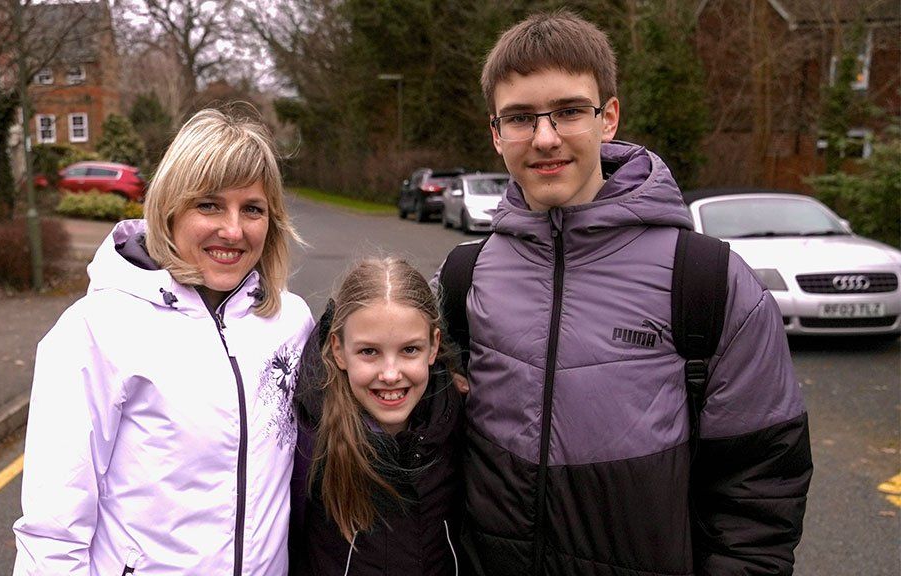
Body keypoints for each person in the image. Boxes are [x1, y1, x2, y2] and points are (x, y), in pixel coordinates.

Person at [435, 10, 813, 575]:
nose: (545, 138)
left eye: (567, 112)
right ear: (495, 133)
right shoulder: (465, 276)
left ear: (608, 117)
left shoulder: (706, 279)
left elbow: (760, 485)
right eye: (519, 118)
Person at [12, 107, 315, 575]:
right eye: (209, 205)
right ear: (170, 209)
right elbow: (53, 530)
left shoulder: (290, 321)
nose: (233, 230)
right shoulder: (97, 328)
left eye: (252, 209)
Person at [289, 258, 465, 575]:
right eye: (369, 351)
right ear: (339, 350)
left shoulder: (458, 425)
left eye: (410, 350)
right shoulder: (310, 441)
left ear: (434, 346)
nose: (390, 374)